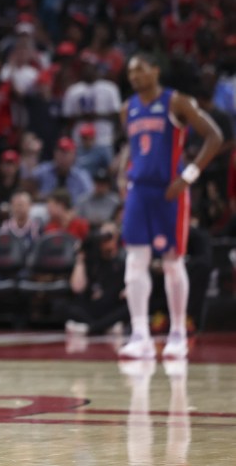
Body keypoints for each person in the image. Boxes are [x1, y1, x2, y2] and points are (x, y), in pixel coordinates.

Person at [118, 53, 221, 361]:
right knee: (134, 262)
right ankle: (140, 336)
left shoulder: (177, 101)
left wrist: (188, 176)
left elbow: (215, 136)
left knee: (172, 262)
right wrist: (124, 177)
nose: (134, 76)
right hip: (139, 191)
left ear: (155, 69)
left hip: (170, 191)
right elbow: (133, 148)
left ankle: (177, 332)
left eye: (140, 69)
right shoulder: (128, 108)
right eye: (130, 71)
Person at [65, 221, 127, 336]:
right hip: (92, 307)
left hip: (113, 306)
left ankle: (91, 328)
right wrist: (80, 259)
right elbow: (77, 288)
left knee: (128, 308)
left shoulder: (123, 259)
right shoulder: (91, 258)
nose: (106, 240)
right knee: (65, 306)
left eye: (110, 236)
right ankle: (105, 326)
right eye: (103, 236)